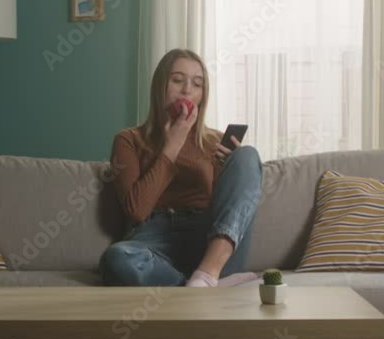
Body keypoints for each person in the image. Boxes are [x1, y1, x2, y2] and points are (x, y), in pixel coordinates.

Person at [99, 48, 263, 287]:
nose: (187, 90)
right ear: (160, 87)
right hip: (153, 239)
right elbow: (136, 211)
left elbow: (227, 210)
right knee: (116, 259)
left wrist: (230, 169)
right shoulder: (129, 139)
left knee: (247, 155)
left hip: (208, 240)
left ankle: (208, 272)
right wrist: (172, 145)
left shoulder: (215, 141)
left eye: (197, 84)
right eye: (177, 80)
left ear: (202, 95)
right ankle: (201, 285)